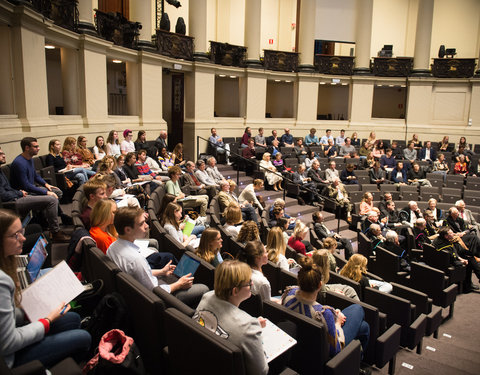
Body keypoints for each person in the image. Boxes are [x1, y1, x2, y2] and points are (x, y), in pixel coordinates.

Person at [0, 209, 91, 369]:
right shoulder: (2, 281)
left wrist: (30, 311)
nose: (22, 238)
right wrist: (47, 321)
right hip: (8, 360)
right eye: (15, 235)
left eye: (21, 232)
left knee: (73, 319)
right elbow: (8, 343)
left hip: (12, 334)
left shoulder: (5, 266)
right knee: (83, 337)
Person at [107, 206, 208, 306]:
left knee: (179, 273)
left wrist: (161, 272)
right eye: (142, 224)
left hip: (135, 293)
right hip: (157, 300)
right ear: (128, 230)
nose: (146, 226)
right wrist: (179, 284)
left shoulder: (112, 248)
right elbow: (154, 292)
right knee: (204, 288)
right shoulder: (136, 259)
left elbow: (137, 274)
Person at [282, 256, 370, 357]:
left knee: (364, 327)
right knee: (358, 308)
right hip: (324, 355)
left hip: (301, 345)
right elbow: (336, 349)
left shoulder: (289, 294)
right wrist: (337, 322)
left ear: (299, 280)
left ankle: (357, 361)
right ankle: (352, 363)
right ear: (320, 285)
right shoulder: (323, 314)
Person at [193, 260, 269, 375]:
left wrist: (253, 325)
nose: (252, 284)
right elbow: (261, 372)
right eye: (248, 283)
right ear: (235, 291)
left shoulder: (207, 296)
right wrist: (255, 331)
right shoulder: (249, 327)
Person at [0, 148, 70, 242]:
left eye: (3, 153)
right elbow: (3, 195)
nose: (4, 155)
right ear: (27, 148)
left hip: (18, 194)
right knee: (52, 199)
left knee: (55, 193)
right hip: (12, 202)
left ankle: (48, 222)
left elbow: (8, 188)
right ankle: (55, 232)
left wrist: (46, 185)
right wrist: (19, 192)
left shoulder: (1, 170)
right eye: (0, 154)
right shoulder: (19, 163)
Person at [433, 227, 480, 293]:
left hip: (447, 259)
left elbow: (453, 254)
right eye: (451, 233)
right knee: (470, 261)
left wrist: (460, 258)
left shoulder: (440, 239)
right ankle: (467, 287)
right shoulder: (445, 247)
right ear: (446, 236)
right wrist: (462, 261)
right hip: (447, 263)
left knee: (469, 255)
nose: (454, 234)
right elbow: (452, 259)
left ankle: (469, 285)